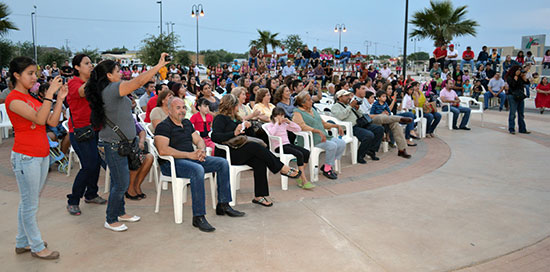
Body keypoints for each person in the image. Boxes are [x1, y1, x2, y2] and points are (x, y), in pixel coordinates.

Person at [86, 53, 169, 232]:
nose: (122, 73)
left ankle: (121, 211)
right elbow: (138, 82)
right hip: (114, 144)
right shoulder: (111, 89)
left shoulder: (112, 89)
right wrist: (157, 66)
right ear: (109, 75)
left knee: (119, 181)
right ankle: (111, 218)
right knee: (122, 183)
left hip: (123, 143)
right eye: (118, 70)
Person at [7, 57, 67, 260]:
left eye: (35, 73)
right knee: (30, 203)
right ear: (17, 75)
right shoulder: (14, 99)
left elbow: (51, 121)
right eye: (30, 74)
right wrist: (49, 94)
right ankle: (36, 245)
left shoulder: (32, 99)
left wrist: (58, 99)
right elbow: (40, 119)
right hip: (26, 156)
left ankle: (22, 242)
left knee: (28, 202)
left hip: (39, 155)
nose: (35, 78)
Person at [155, 97, 244, 232]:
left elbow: (199, 140)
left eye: (184, 107)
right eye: (178, 108)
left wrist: (201, 151)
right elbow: (163, 150)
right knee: (197, 170)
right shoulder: (163, 126)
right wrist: (189, 155)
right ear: (169, 110)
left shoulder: (186, 123)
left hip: (191, 159)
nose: (182, 111)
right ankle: (199, 216)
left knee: (222, 163)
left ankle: (223, 204)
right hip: (172, 163)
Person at [212, 95, 301, 207]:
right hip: (227, 153)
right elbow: (215, 137)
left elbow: (250, 137)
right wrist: (234, 133)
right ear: (231, 106)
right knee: (255, 147)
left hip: (239, 150)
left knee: (259, 161)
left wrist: (247, 128)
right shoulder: (220, 118)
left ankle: (259, 196)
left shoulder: (237, 118)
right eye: (236, 105)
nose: (238, 107)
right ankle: (281, 168)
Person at [66, 54, 107, 216]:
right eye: (87, 63)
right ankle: (73, 200)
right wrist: (95, 76)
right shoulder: (74, 83)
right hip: (80, 131)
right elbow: (83, 92)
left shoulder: (94, 82)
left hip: (95, 128)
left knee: (95, 163)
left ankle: (91, 194)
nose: (90, 66)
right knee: (89, 165)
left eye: (91, 63)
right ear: (77, 67)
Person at [293, 91, 345, 179]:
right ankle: (327, 170)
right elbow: (301, 126)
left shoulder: (313, 110)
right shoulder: (297, 113)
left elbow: (323, 124)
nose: (312, 101)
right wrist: (316, 131)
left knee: (341, 143)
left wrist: (336, 126)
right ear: (303, 103)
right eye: (309, 100)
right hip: (311, 139)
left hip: (323, 136)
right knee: (332, 146)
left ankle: (327, 165)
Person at [265, 107, 313, 189]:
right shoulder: (270, 125)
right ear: (274, 116)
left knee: (306, 152)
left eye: (282, 115)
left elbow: (298, 129)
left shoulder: (284, 125)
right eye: (279, 116)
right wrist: (277, 123)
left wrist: (289, 122)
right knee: (299, 154)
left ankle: (298, 174)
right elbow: (271, 133)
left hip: (287, 144)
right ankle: (303, 179)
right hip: (279, 146)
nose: (281, 117)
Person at [331, 90, 383, 164]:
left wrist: (357, 109)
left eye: (349, 95)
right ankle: (360, 156)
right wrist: (350, 106)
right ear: (339, 97)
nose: (348, 97)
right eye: (346, 96)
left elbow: (362, 115)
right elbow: (341, 116)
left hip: (360, 124)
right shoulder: (336, 106)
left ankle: (371, 150)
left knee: (379, 129)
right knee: (368, 135)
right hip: (350, 127)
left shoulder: (349, 105)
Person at [126, 120, 154, 200]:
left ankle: (137, 185)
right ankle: (130, 188)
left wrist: (141, 142)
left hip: (133, 147)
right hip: (120, 148)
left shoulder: (130, 117)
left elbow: (141, 131)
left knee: (149, 157)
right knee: (135, 157)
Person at [505, 65, 529, 134]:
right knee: (512, 113)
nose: (519, 71)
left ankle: (522, 129)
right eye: (518, 70)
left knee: (521, 114)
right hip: (512, 96)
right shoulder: (509, 77)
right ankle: (511, 128)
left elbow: (527, 83)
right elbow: (513, 85)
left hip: (520, 96)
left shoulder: (521, 77)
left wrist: (524, 76)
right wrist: (516, 76)